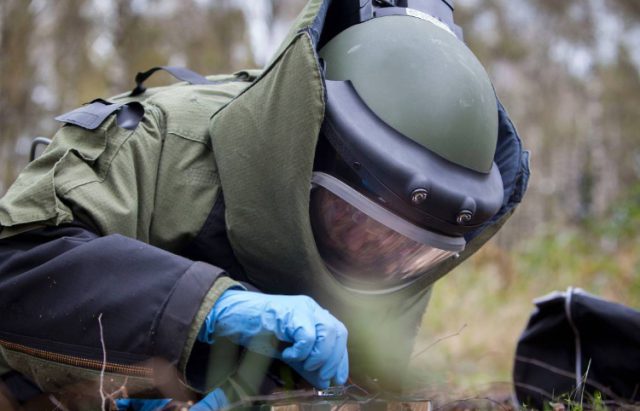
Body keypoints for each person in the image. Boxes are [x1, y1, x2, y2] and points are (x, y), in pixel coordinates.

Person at [0, 0, 529, 410]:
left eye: (408, 253)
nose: (379, 253)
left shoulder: (396, 254)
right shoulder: (155, 144)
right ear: (314, 162)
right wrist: (209, 309)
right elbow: (15, 267)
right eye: (361, 223)